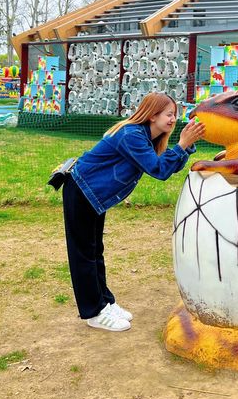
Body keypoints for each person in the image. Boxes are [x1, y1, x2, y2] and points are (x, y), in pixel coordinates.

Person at [62, 93, 205, 332]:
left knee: (95, 251)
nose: (173, 120)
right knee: (84, 254)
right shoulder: (131, 135)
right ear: (152, 115)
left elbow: (166, 167)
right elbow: (158, 169)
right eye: (169, 114)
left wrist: (185, 146)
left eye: (175, 115)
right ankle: (93, 312)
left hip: (92, 195)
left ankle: (104, 303)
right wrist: (181, 144)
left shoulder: (145, 138)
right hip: (81, 191)